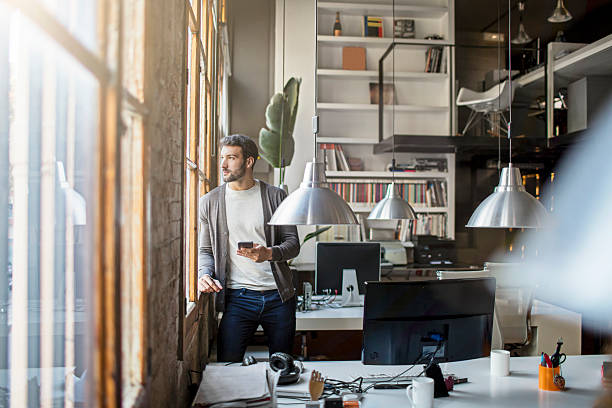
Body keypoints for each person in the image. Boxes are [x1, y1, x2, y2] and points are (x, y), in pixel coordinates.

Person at [198, 134, 300, 362]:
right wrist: (203, 274)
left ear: (249, 161)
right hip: (238, 299)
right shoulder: (210, 202)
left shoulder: (276, 196)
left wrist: (268, 254)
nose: (223, 164)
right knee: (228, 365)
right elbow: (206, 251)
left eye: (231, 158)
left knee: (282, 367)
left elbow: (293, 245)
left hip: (279, 298)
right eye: (222, 158)